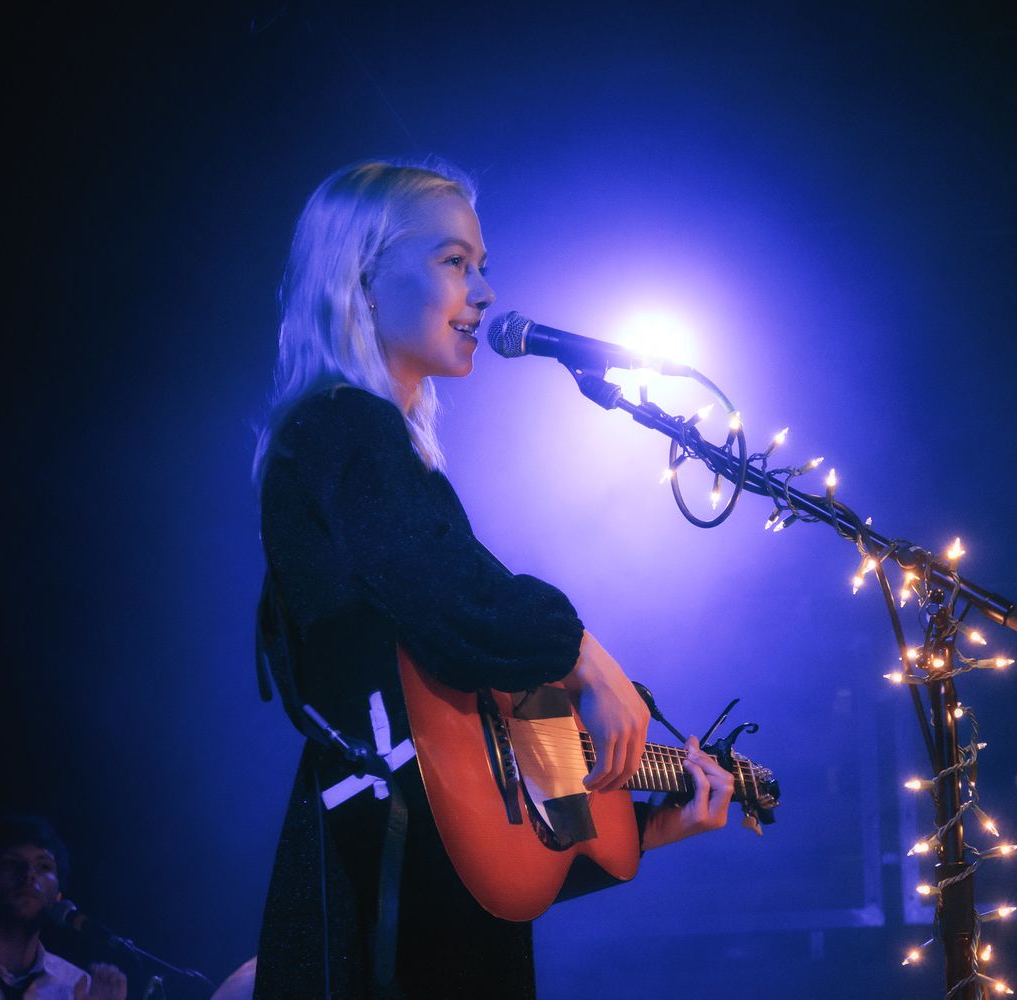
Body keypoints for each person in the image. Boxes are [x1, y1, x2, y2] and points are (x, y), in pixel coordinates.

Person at [250, 158, 736, 999]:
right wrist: (587, 657)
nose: (483, 292)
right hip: (380, 893)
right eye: (453, 262)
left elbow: (488, 807)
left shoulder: (391, 458)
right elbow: (459, 608)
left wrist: (652, 824)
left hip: (418, 884)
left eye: (483, 266)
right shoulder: (339, 428)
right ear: (362, 275)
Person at [0, 816, 126, 1000]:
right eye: (12, 863)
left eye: (43, 866)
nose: (29, 874)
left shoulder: (77, 985)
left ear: (58, 897)